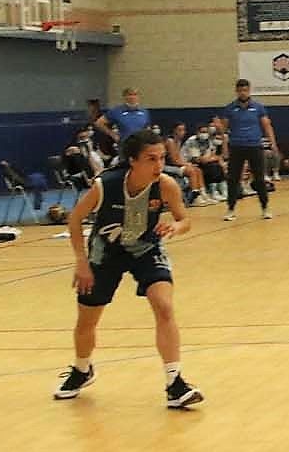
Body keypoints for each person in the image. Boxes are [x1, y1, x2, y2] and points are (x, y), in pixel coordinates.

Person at [54, 128, 203, 408]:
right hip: (106, 252)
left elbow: (186, 220)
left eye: (161, 158)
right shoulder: (105, 185)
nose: (159, 165)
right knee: (88, 318)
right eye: (151, 159)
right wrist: (81, 263)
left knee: (164, 306)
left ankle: (175, 382)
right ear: (133, 160)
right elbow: (74, 221)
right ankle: (82, 370)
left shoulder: (166, 185)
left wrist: (176, 226)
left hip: (146, 249)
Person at [220, 79, 278, 221]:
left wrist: (273, 143)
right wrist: (225, 148)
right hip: (237, 146)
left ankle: (265, 208)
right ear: (237, 91)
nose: (243, 93)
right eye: (240, 90)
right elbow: (224, 130)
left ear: (249, 90)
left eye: (245, 90)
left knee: (259, 179)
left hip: (254, 146)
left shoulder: (258, 107)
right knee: (233, 179)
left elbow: (267, 125)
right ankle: (231, 209)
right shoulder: (230, 108)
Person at [96, 88, 150, 165]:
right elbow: (99, 123)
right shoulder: (117, 111)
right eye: (130, 94)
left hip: (141, 145)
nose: (132, 97)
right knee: (126, 167)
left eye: (135, 94)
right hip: (125, 145)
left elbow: (147, 128)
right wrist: (113, 135)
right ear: (124, 97)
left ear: (138, 97)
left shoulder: (144, 112)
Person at [162, 123, 208, 205]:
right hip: (166, 167)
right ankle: (194, 198)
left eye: (184, 130)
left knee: (198, 170)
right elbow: (174, 161)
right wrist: (187, 165)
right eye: (180, 130)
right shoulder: (170, 141)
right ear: (174, 131)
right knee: (191, 171)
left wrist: (187, 164)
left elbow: (178, 159)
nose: (183, 132)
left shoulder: (179, 141)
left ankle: (203, 195)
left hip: (175, 165)